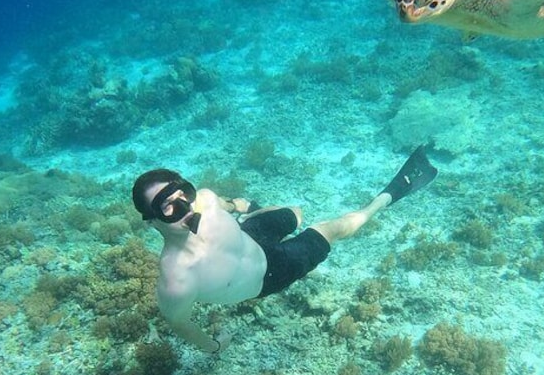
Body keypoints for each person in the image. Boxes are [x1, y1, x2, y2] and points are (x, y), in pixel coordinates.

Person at [131, 145, 437, 354]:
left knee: (296, 212)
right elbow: (179, 323)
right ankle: (389, 196)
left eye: (185, 194)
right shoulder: (177, 279)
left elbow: (221, 201)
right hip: (271, 273)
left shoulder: (206, 201)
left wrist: (238, 206)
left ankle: (252, 212)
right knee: (332, 229)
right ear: (151, 221)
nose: (187, 209)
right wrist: (215, 346)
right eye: (170, 207)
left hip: (248, 234)